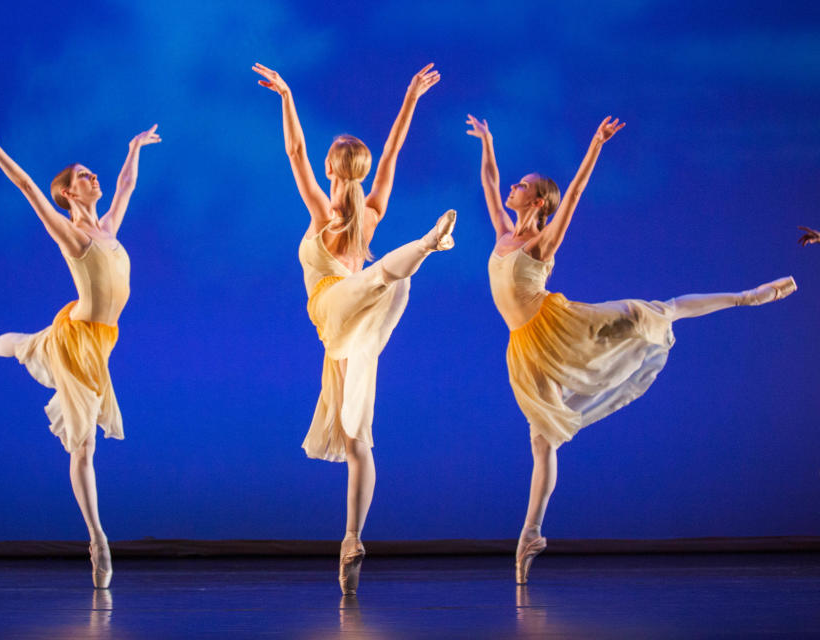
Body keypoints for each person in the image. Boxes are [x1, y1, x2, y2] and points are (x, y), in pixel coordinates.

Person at [466, 114, 796, 584]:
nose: (511, 188)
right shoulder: (503, 231)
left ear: (538, 201)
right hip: (525, 349)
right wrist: (488, 143)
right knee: (543, 441)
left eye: (523, 185)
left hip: (563, 326)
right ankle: (531, 535)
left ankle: (749, 295)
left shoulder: (542, 242)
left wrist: (596, 144)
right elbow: (490, 179)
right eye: (515, 183)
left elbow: (575, 193)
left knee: (657, 311)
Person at [253, 62, 454, 594]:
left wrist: (288, 97)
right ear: (357, 170)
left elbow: (295, 154)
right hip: (350, 323)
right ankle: (422, 248)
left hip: (341, 320)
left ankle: (351, 539)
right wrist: (410, 98)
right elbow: (390, 155)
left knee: (358, 437)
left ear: (331, 167)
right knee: (384, 278)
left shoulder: (324, 210)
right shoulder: (369, 210)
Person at [0, 120, 161, 588]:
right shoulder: (73, 236)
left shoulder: (107, 228)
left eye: (92, 174)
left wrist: (133, 147)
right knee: (83, 446)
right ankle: (98, 540)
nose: (94, 179)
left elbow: (126, 185)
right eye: (83, 176)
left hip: (97, 339)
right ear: (66, 194)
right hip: (77, 340)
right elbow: (25, 186)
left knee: (26, 343)